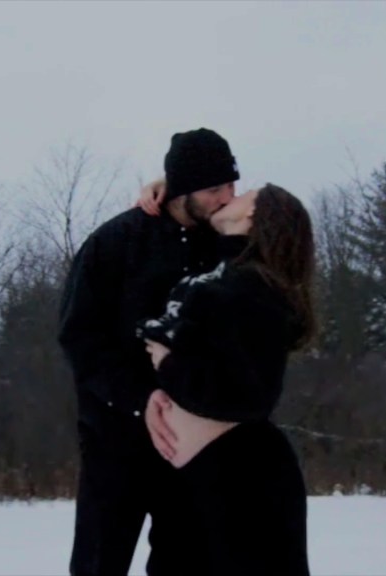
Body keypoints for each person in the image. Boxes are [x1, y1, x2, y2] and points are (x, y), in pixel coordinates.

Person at [57, 127, 240, 576]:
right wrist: (141, 397)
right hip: (114, 440)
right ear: (181, 188)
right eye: (214, 188)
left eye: (231, 185)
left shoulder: (227, 247)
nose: (227, 198)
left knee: (186, 564)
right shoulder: (113, 243)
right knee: (99, 563)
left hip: (190, 443)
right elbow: (80, 338)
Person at [135, 182, 316, 575]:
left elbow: (250, 396)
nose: (230, 196)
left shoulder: (255, 288)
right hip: (197, 480)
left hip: (241, 484)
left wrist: (169, 366)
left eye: (243, 193)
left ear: (254, 213)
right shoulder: (223, 276)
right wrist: (168, 187)